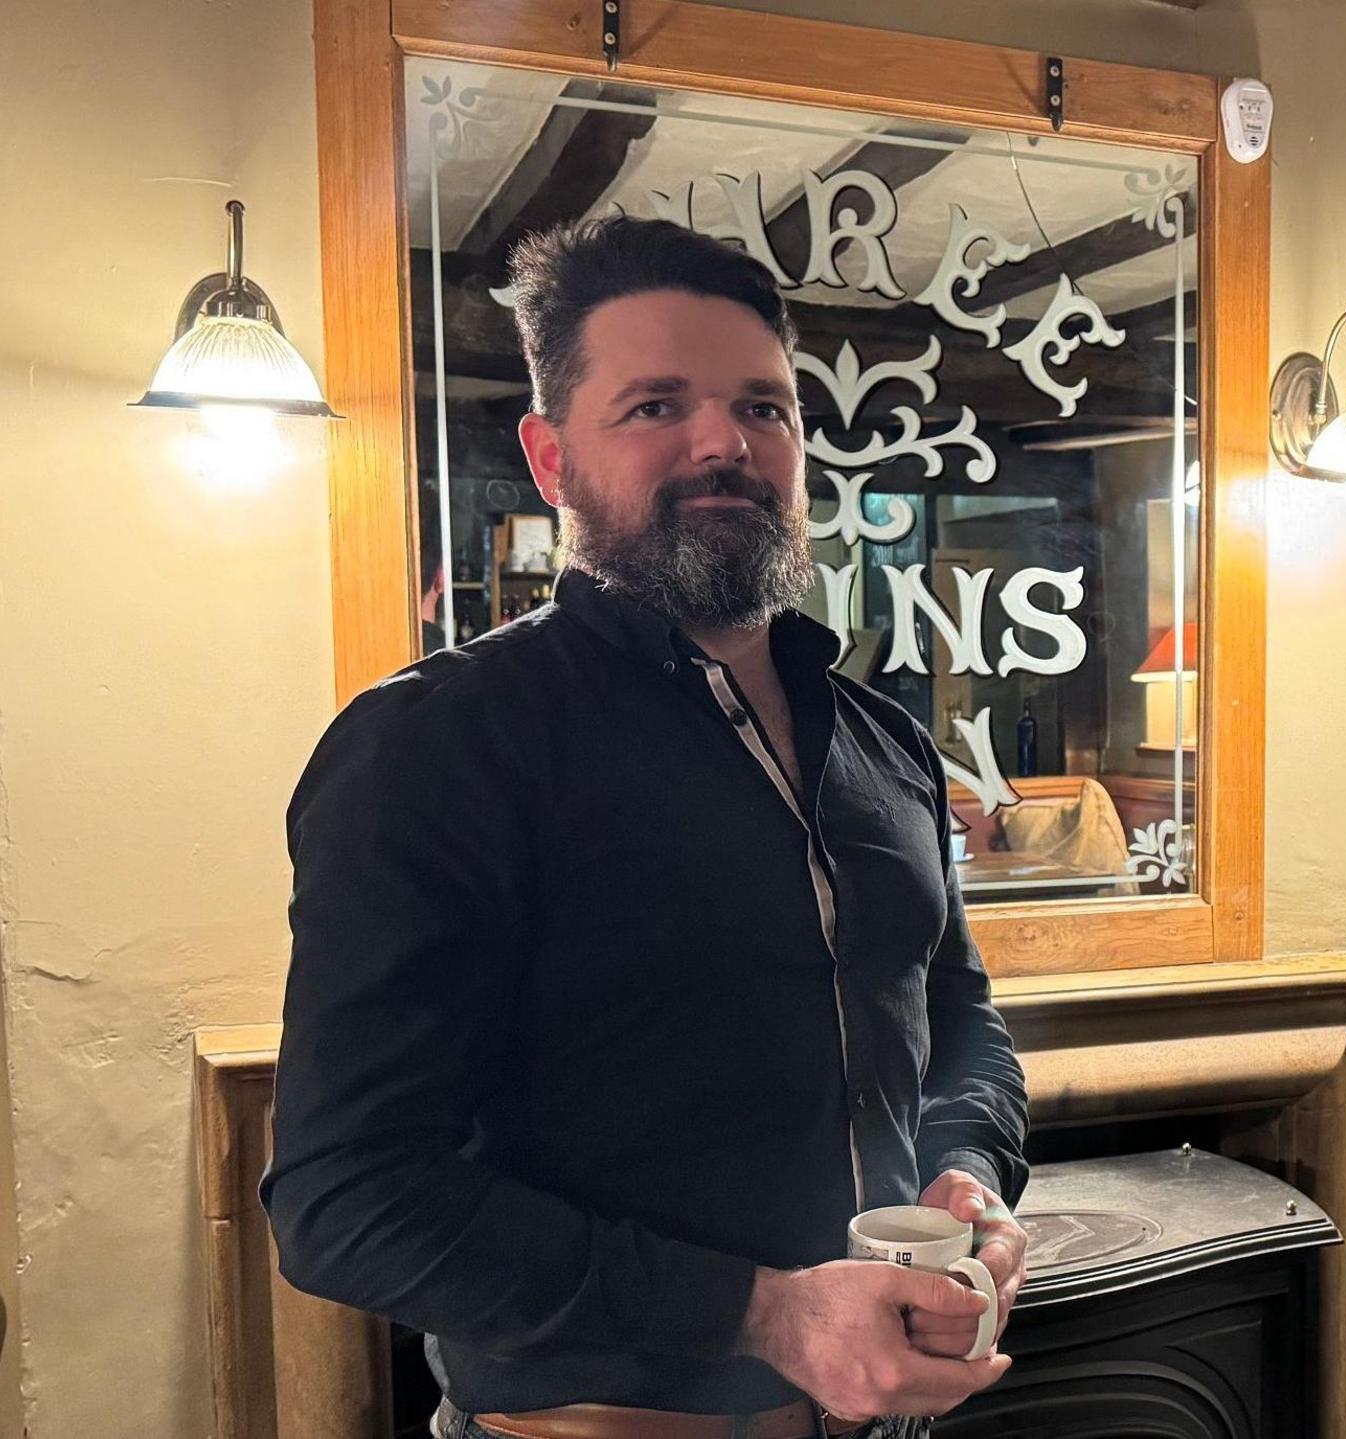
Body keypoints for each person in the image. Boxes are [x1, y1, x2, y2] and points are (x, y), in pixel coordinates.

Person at [264, 215, 1029, 1439]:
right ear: (549, 455)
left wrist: (973, 1172)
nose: (724, 439)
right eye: (655, 405)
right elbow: (346, 1199)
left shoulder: (886, 740)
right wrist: (766, 1314)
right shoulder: (435, 745)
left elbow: (957, 1015)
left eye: (763, 408)